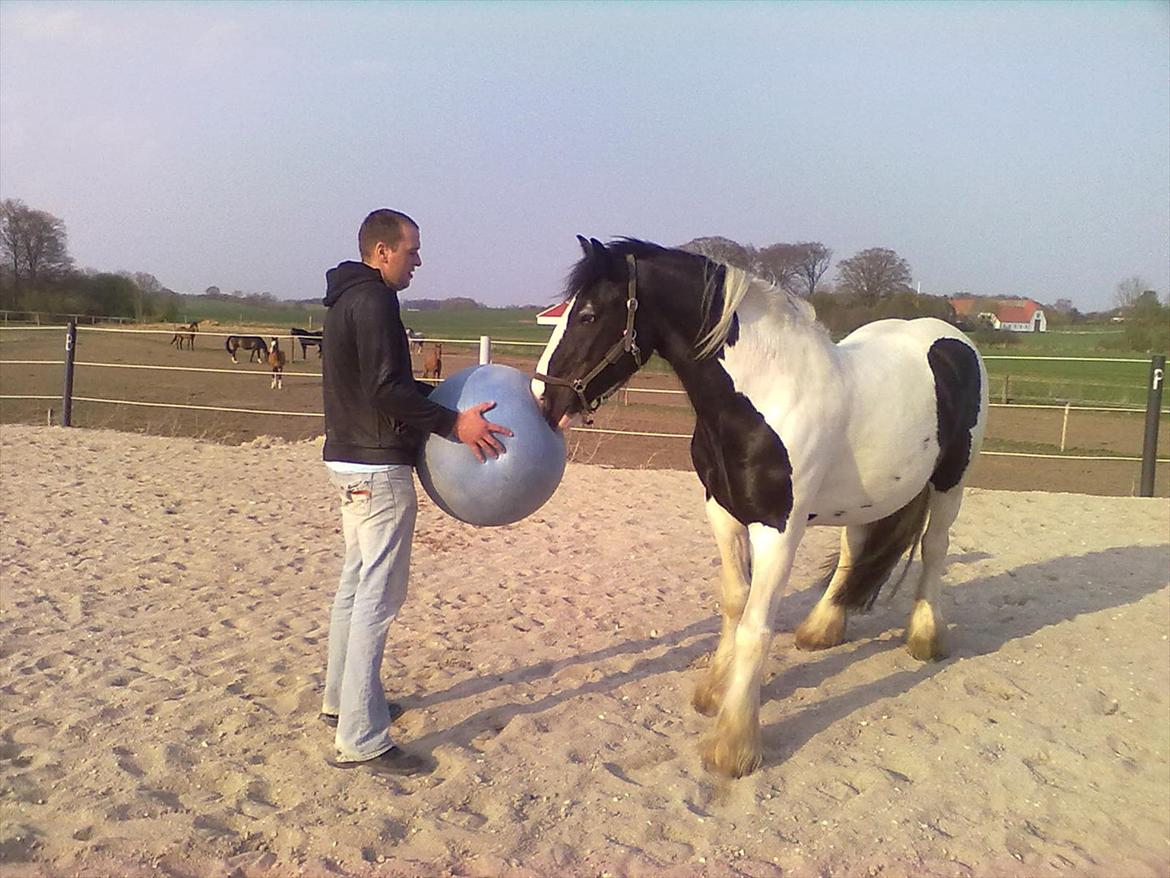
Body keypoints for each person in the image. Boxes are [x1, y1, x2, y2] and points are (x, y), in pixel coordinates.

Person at [319, 208, 511, 776]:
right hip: (378, 472)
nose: (418, 261)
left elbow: (387, 384)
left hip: (349, 461)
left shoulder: (342, 299)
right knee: (377, 600)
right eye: (412, 250)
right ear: (382, 251)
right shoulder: (376, 300)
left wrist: (447, 407)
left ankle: (343, 703)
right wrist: (456, 426)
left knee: (355, 589)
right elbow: (386, 390)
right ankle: (360, 738)